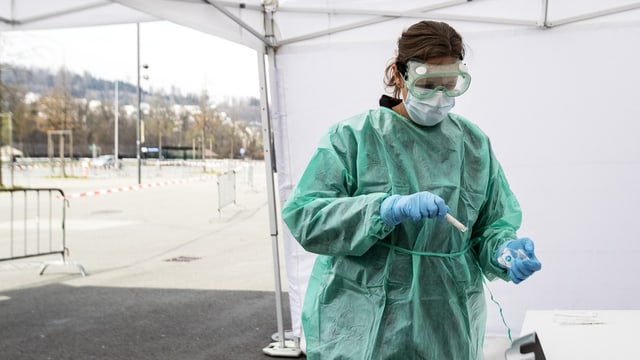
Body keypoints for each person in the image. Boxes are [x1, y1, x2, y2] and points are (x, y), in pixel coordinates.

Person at [281, 20, 542, 359]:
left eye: (450, 86)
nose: (439, 98)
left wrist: (503, 251)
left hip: (448, 321)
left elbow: (489, 225)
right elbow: (306, 217)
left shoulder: (472, 144)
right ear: (399, 74)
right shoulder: (354, 137)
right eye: (427, 85)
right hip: (366, 322)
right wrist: (382, 210)